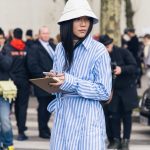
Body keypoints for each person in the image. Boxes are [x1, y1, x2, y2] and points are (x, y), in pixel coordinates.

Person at [46, 0, 112, 149]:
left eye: (87, 19)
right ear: (67, 22)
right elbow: (60, 84)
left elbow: (104, 91)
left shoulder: (98, 50)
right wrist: (53, 80)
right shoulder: (60, 49)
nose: (84, 24)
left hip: (87, 119)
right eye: (78, 19)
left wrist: (70, 81)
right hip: (63, 118)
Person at [99, 34, 138, 150]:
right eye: (104, 46)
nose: (107, 48)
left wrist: (122, 69)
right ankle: (115, 140)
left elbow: (134, 67)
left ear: (112, 43)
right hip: (113, 91)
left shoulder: (123, 52)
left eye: (108, 45)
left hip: (127, 90)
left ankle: (126, 141)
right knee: (113, 116)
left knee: (127, 117)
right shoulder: (101, 56)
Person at [27, 26, 56, 139]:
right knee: (43, 107)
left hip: (54, 81)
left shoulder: (53, 46)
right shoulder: (34, 48)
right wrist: (45, 75)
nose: (46, 35)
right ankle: (42, 130)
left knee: (50, 106)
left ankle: (45, 128)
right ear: (39, 35)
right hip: (42, 81)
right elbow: (32, 66)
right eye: (43, 33)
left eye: (47, 33)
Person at [3, 28, 30, 141]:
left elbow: (5, 65)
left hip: (10, 82)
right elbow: (30, 65)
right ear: (21, 34)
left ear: (13, 35)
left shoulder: (7, 47)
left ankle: (6, 131)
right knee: (22, 107)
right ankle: (21, 132)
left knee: (7, 108)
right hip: (24, 81)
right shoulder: (26, 48)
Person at [0, 28, 15, 150]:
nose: (0, 40)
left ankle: (8, 143)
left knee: (5, 119)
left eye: (1, 38)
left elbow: (7, 65)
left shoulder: (7, 50)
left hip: (3, 92)